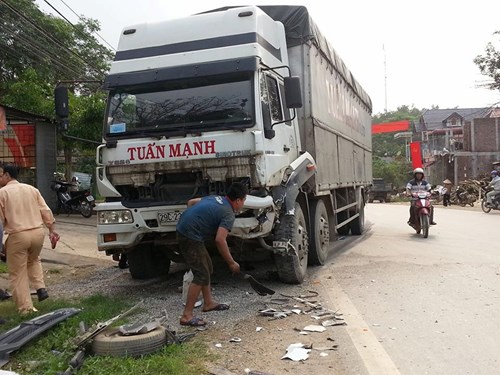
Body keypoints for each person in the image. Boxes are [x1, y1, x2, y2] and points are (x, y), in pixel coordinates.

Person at [176, 182, 247, 327]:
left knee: (207, 267)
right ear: (238, 200)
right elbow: (220, 240)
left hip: (187, 230)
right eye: (244, 201)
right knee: (201, 274)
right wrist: (231, 263)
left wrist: (194, 219)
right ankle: (186, 316)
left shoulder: (216, 198)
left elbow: (191, 202)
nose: (243, 204)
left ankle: (208, 303)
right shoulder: (228, 213)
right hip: (189, 236)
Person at [0, 163, 59, 315]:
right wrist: (52, 230)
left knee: (17, 272)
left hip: (18, 235)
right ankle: (40, 287)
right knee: (33, 260)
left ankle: (26, 308)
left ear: (7, 175)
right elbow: (45, 210)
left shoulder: (2, 193)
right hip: (37, 233)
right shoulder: (32, 189)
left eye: (1, 175)